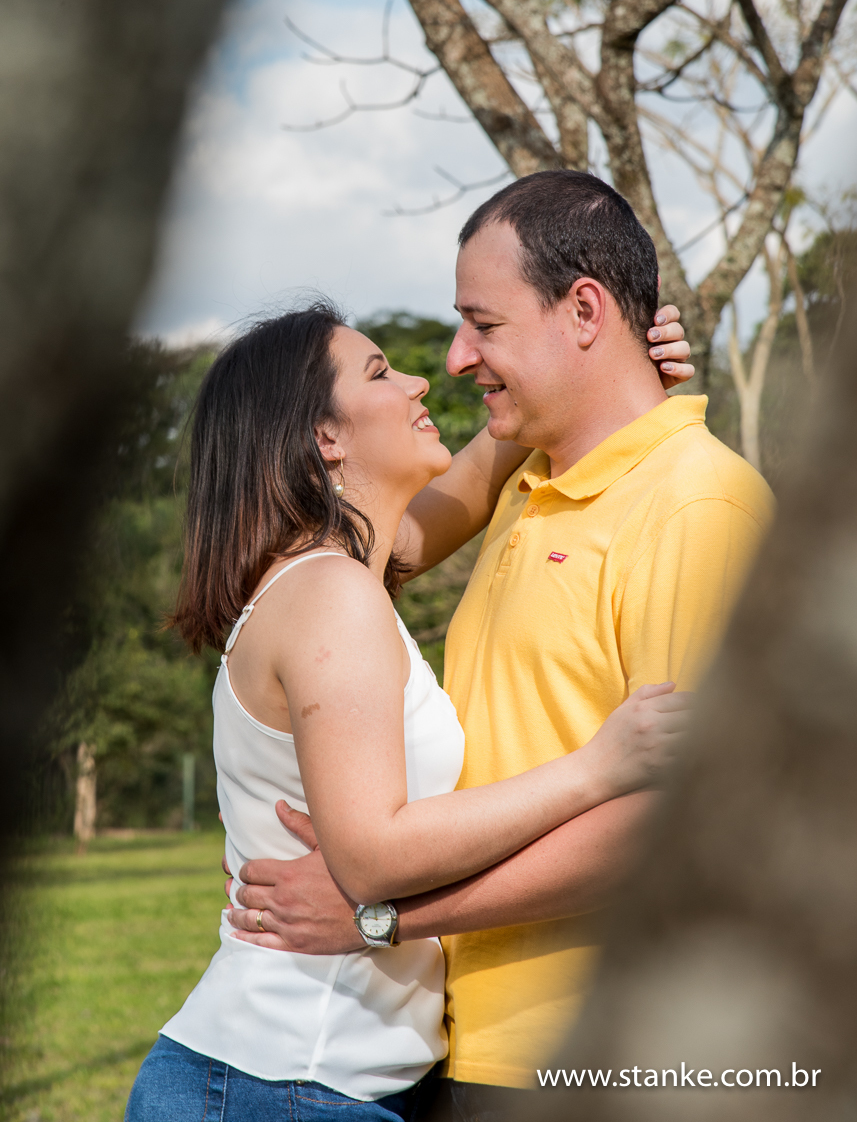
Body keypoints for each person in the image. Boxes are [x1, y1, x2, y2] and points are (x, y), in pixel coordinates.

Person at [227, 172, 777, 1120]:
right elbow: (384, 534)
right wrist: (566, 382)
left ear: (583, 309)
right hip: (464, 1051)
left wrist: (384, 917)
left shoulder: (696, 505)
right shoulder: (528, 486)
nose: (452, 357)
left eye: (483, 324)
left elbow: (680, 824)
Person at [125, 299, 693, 1121]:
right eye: (382, 372)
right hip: (282, 1085)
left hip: (310, 1082)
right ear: (327, 438)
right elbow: (374, 860)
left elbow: (445, 508)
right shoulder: (330, 596)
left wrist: (599, 375)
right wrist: (595, 769)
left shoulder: (329, 577)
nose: (422, 378)